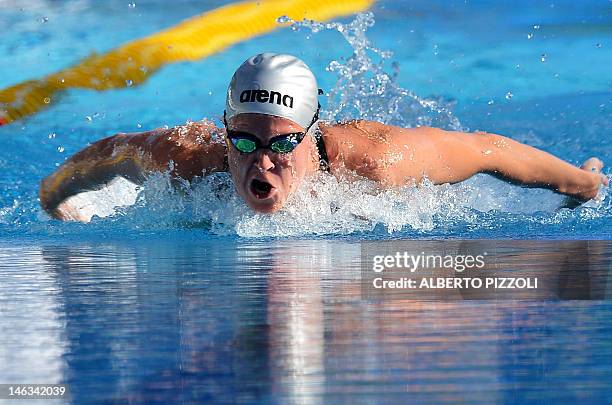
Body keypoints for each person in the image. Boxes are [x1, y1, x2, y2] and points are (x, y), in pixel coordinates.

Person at [40, 53, 608, 222]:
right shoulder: (189, 158)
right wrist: (54, 199)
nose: (262, 161)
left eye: (283, 143)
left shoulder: (378, 163)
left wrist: (585, 183)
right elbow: (104, 155)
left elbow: (488, 150)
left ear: (311, 135)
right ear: (225, 130)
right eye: (245, 142)